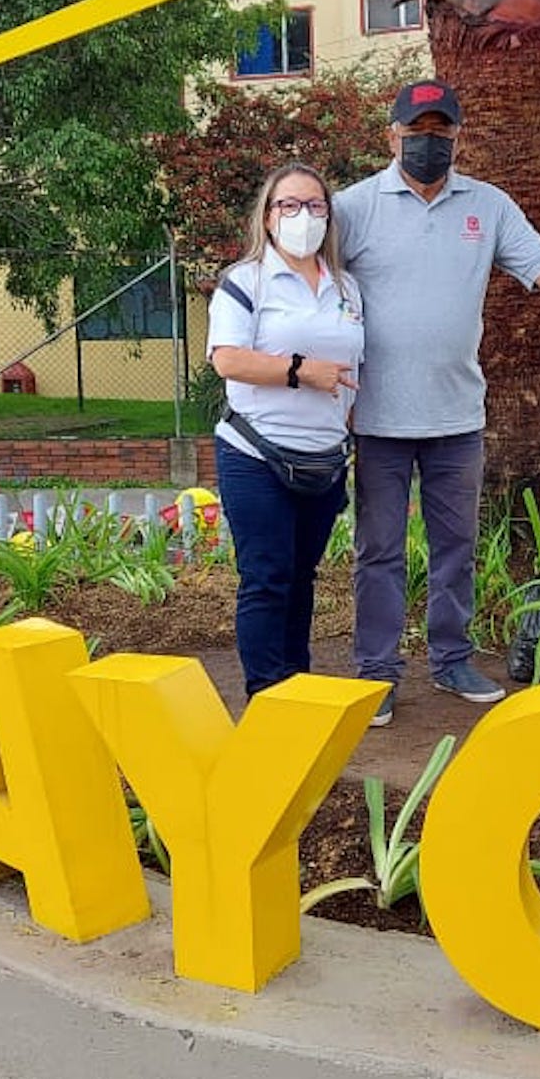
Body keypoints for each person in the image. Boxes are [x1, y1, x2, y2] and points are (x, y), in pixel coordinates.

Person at [334, 80, 540, 726]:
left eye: (441, 131)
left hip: (457, 417)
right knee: (380, 551)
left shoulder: (488, 205)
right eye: (416, 131)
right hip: (378, 418)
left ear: (457, 136)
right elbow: (306, 286)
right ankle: (377, 673)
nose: (429, 142)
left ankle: (451, 659)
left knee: (456, 546)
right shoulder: (352, 208)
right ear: (391, 136)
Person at [207, 162, 364, 696]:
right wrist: (301, 371)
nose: (303, 216)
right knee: (267, 579)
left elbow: (353, 373)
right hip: (256, 456)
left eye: (315, 205)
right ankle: (266, 694)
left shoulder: (347, 288)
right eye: (289, 206)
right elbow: (227, 360)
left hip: (322, 459)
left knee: (302, 579)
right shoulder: (245, 280)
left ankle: (296, 689)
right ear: (269, 218)